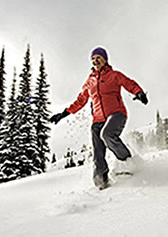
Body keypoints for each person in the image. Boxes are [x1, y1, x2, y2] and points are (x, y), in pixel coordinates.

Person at [50, 47, 148, 189]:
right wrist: (64, 113)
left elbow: (129, 83)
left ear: (105, 60)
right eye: (93, 59)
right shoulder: (90, 81)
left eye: (98, 58)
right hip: (97, 119)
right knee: (97, 150)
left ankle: (127, 163)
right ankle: (101, 181)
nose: (96, 61)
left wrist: (139, 92)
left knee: (107, 134)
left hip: (116, 114)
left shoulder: (114, 75)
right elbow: (80, 100)